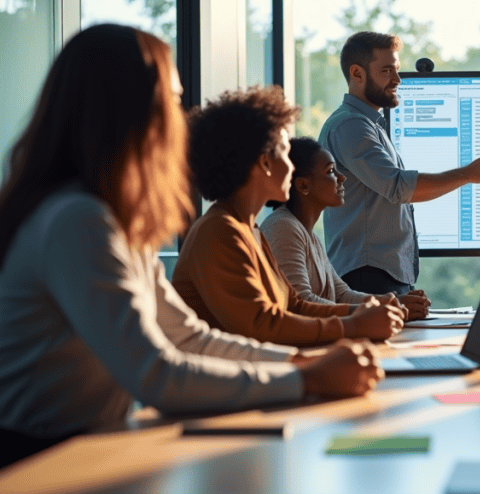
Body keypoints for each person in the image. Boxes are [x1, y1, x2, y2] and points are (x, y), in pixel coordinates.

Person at [0, 24, 382, 468]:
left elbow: (187, 337)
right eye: (173, 101)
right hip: (37, 462)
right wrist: (305, 378)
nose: (180, 121)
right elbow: (155, 376)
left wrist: (301, 362)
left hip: (87, 447)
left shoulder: (113, 221)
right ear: (130, 110)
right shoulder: (77, 220)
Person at [172, 86, 406, 347]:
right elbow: (264, 324)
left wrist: (364, 313)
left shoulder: (250, 230)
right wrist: (354, 324)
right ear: (265, 163)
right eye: (285, 151)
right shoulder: (219, 232)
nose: (292, 166)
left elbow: (294, 304)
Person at [319, 31, 480, 295]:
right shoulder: (351, 126)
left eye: (396, 70)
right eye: (387, 71)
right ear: (357, 74)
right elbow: (399, 188)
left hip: (381, 273)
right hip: (367, 276)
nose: (397, 80)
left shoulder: (371, 125)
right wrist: (468, 174)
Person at [261, 137, 430, 319]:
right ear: (303, 185)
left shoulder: (308, 234)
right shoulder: (283, 228)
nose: (342, 177)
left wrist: (394, 302)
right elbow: (301, 304)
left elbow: (342, 295)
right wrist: (377, 312)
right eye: (331, 171)